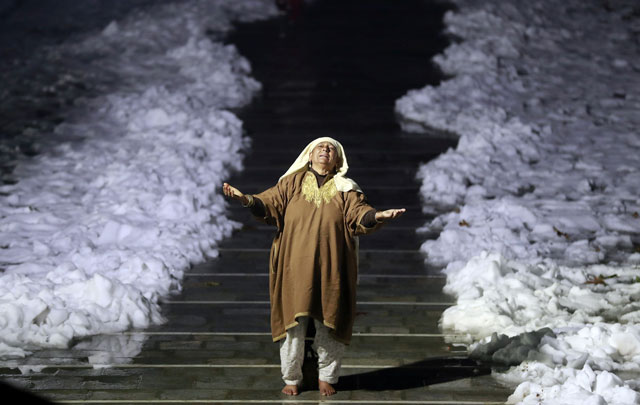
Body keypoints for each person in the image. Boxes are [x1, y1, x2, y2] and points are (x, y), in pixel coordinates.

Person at [222, 137, 405, 396]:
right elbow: (269, 203)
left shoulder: (346, 189)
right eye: (320, 146)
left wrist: (379, 216)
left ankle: (327, 376)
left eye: (331, 149)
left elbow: (359, 214)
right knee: (293, 324)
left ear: (338, 161)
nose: (325, 150)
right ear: (309, 155)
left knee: (330, 321)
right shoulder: (291, 183)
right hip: (294, 265)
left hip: (333, 264)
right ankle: (292, 378)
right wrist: (247, 200)